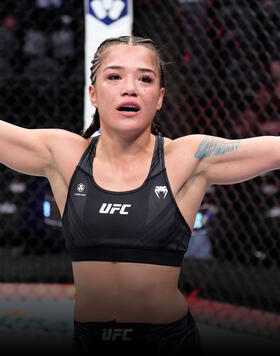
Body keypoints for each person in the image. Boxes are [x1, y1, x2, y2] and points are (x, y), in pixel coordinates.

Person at [1, 35, 280, 355]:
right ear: (92, 93)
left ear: (159, 97)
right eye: (114, 76)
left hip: (168, 343)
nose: (129, 87)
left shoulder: (187, 157)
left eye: (145, 78)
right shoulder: (64, 154)